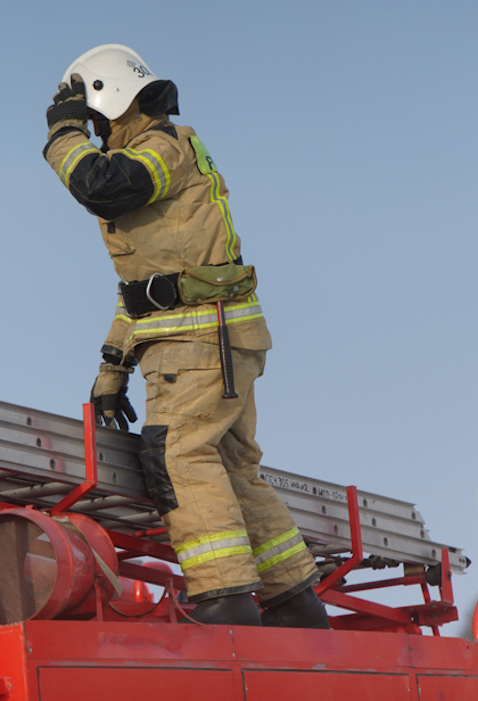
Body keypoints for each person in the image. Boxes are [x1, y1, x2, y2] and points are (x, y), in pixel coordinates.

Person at [43, 44, 329, 628]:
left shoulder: (160, 150)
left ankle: (224, 599)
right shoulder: (163, 161)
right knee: (230, 464)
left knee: (178, 456)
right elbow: (146, 291)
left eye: (95, 120)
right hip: (212, 339)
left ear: (111, 98)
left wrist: (61, 136)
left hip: (199, 344)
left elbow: (99, 184)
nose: (95, 133)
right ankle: (294, 598)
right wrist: (111, 372)